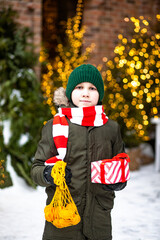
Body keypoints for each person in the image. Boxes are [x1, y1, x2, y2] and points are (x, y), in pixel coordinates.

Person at [31, 64, 127, 240]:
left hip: (99, 218)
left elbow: (121, 163)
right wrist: (49, 173)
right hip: (62, 218)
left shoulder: (111, 128)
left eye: (92, 88)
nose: (85, 93)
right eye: (79, 87)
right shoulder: (54, 126)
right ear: (69, 93)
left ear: (100, 94)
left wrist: (119, 181)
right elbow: (36, 168)